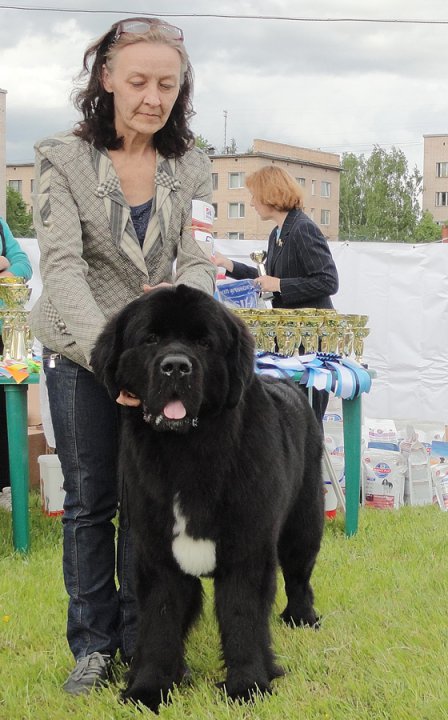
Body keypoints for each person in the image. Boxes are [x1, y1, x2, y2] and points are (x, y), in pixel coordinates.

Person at [29, 17, 214, 695]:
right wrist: (117, 363)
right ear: (105, 79)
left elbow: (196, 260)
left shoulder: (192, 165)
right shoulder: (60, 160)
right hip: (83, 354)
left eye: (168, 84)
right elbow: (64, 271)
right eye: (138, 81)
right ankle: (95, 645)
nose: (152, 96)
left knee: (149, 505)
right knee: (91, 501)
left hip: (158, 359)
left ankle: (147, 641)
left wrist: (182, 305)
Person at [212, 165, 339, 421]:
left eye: (255, 196)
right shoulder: (277, 233)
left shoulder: (303, 229)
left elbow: (328, 281)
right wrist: (229, 265)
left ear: (270, 194)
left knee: (307, 419)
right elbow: (265, 279)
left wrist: (280, 285)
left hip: (310, 341)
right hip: (290, 341)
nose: (251, 203)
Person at [0, 216, 33, 512]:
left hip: (4, 335)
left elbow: (24, 265)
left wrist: (5, 265)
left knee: (4, 412)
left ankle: (6, 486)